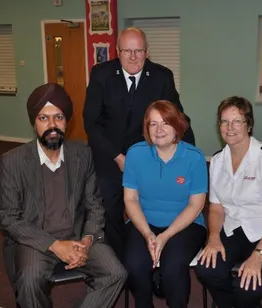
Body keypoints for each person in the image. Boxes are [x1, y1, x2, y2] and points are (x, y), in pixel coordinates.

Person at [0, 83, 127, 308]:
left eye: (58, 117)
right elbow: (8, 217)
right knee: (28, 279)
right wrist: (54, 245)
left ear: (67, 121)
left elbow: (95, 204)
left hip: (78, 235)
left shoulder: (82, 155)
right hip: (36, 240)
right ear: (34, 123)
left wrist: (87, 240)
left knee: (115, 273)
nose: (52, 125)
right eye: (43, 118)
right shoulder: (13, 161)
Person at [83, 27, 196, 260]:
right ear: (117, 51)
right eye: (127, 50)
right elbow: (91, 123)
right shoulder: (101, 74)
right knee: (109, 210)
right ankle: (119, 261)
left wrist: (189, 156)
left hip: (148, 157)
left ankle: (152, 259)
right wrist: (118, 157)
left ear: (147, 52)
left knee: (150, 208)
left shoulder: (161, 76)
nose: (133, 56)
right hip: (109, 154)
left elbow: (177, 118)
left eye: (139, 50)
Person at [195, 96, 262, 308]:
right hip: (237, 227)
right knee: (206, 269)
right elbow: (216, 208)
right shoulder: (218, 160)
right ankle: (245, 303)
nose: (229, 128)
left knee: (247, 286)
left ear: (248, 125)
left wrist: (258, 255)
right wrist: (213, 236)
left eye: (237, 121)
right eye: (224, 121)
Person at [122, 100, 207, 308]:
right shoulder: (135, 154)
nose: (159, 130)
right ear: (146, 128)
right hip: (144, 220)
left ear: (177, 126)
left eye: (165, 123)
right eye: (153, 124)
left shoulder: (194, 157)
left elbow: (196, 204)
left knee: (173, 267)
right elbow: (130, 199)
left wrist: (165, 236)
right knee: (134, 263)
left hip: (185, 224)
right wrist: (149, 234)